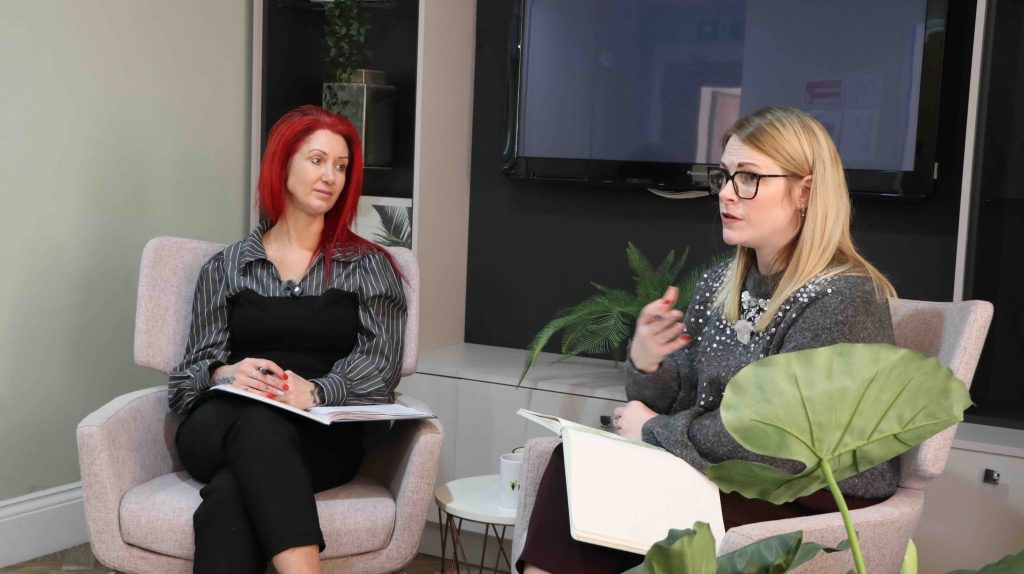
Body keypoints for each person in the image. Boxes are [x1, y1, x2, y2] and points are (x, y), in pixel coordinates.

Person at [518, 107, 899, 574]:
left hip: (809, 499)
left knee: (599, 484)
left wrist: (654, 431)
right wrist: (648, 362)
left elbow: (780, 445)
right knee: (580, 466)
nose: (727, 193)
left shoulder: (845, 297)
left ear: (805, 191)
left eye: (749, 177)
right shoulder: (722, 282)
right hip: (729, 475)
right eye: (724, 176)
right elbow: (685, 398)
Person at [167, 105, 406, 574]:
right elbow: (184, 382)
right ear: (283, 165)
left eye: (341, 167)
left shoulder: (368, 265)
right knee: (258, 423)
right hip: (221, 425)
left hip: (319, 436)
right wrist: (226, 372)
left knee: (232, 494)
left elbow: (382, 364)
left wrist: (314, 391)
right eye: (317, 160)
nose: (331, 177)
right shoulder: (227, 266)